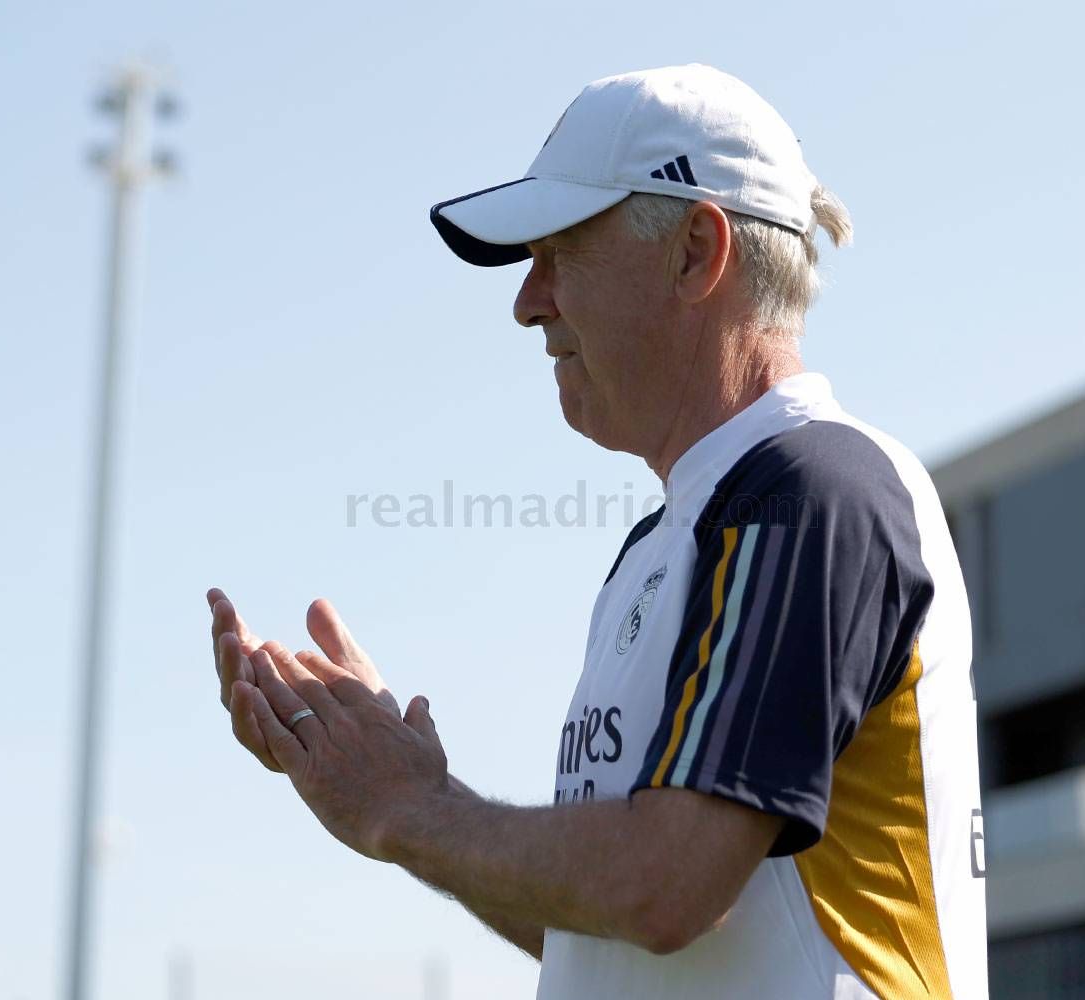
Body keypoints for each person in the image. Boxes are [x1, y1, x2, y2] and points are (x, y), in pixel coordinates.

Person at [208, 63, 988, 999]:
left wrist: (406, 809)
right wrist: (411, 795)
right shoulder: (663, 546)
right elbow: (609, 926)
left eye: (561, 252)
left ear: (697, 251)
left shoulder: (814, 486)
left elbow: (669, 887)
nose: (527, 301)